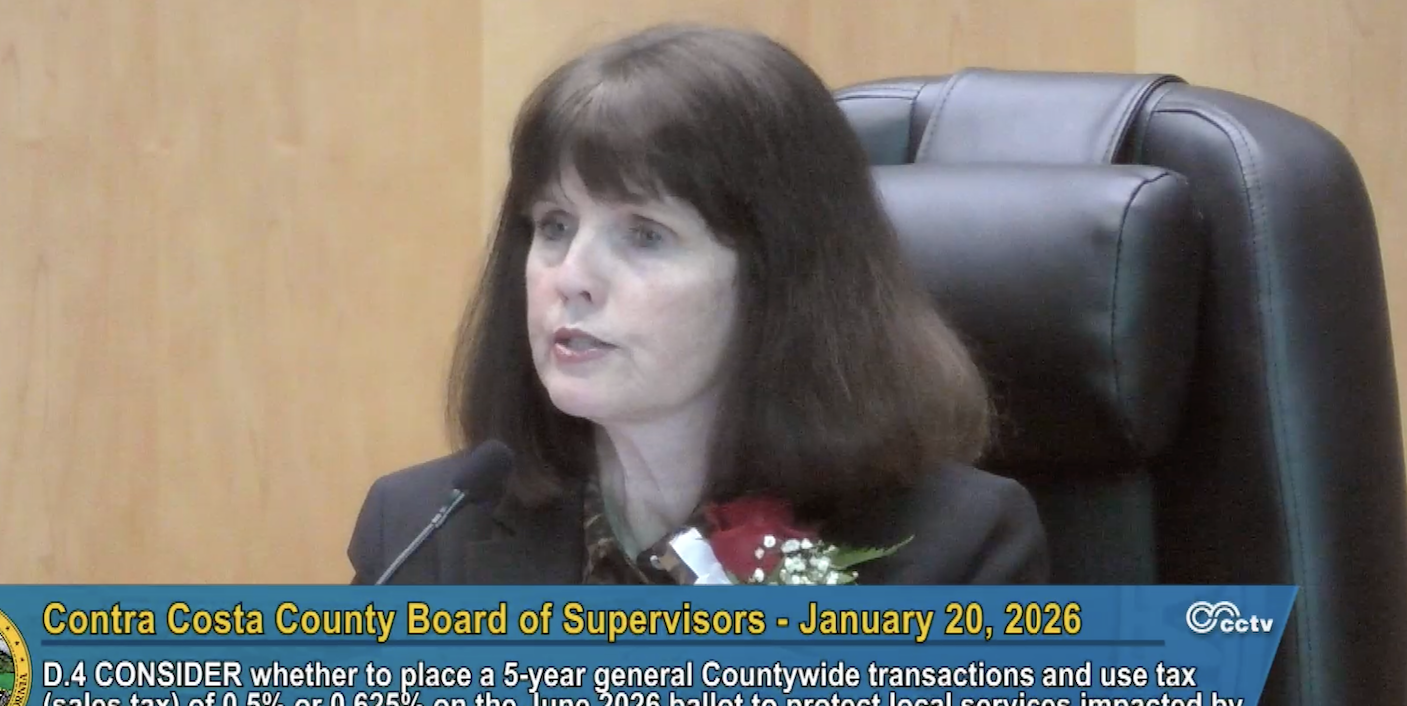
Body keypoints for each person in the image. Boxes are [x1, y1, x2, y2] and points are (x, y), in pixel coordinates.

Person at [346, 24, 1049, 586]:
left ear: (780, 278)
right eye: (554, 225)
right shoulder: (423, 531)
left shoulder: (955, 550)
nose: (571, 276)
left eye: (645, 235)